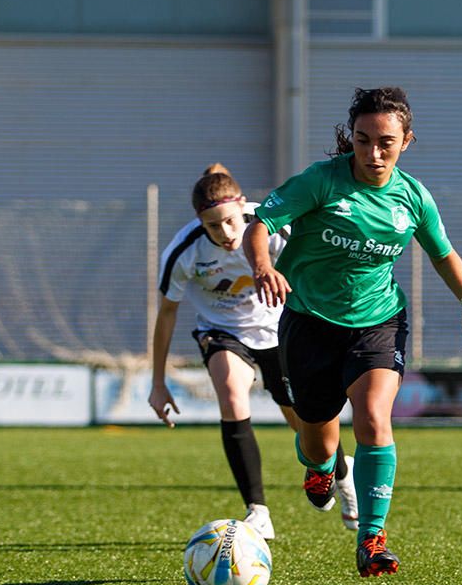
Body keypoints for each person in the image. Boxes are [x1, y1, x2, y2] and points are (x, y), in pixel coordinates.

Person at [244, 87, 462, 577]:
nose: (373, 153)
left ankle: (372, 538)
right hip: (309, 321)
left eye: (386, 142)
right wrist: (262, 266)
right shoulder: (320, 181)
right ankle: (319, 467)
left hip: (378, 322)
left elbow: (443, 252)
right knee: (320, 439)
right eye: (363, 140)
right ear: (351, 139)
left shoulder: (414, 197)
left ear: (407, 141)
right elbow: (260, 222)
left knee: (374, 418)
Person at [148, 163, 359, 540]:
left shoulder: (270, 226)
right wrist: (158, 382)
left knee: (305, 423)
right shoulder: (184, 251)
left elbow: (316, 263)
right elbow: (166, 314)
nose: (226, 233)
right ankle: (257, 511)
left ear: (243, 206)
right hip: (222, 332)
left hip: (282, 330)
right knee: (231, 395)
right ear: (199, 221)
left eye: (230, 221)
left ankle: (342, 473)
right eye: (213, 225)